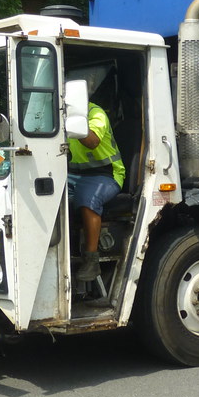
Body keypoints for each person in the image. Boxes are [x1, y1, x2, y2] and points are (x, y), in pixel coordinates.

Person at [68, 102, 125, 281]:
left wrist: (70, 123)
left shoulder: (95, 113)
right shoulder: (55, 114)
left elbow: (92, 142)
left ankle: (91, 260)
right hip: (73, 173)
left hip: (105, 174)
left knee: (87, 200)